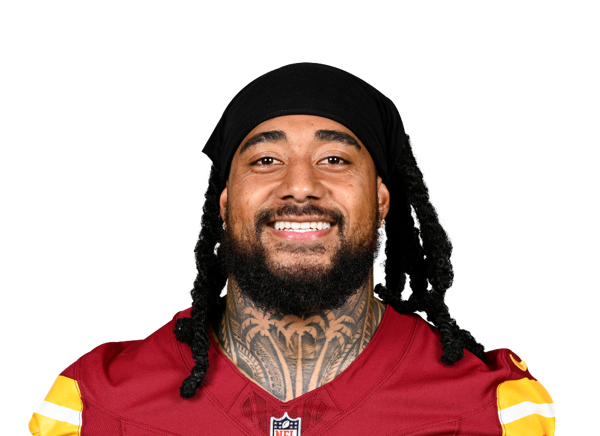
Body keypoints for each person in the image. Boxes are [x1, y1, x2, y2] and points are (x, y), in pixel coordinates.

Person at [29, 62, 555, 435]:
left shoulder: (498, 410)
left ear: (381, 199)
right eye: (265, 160)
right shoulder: (93, 406)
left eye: (334, 160)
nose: (300, 186)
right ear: (225, 202)